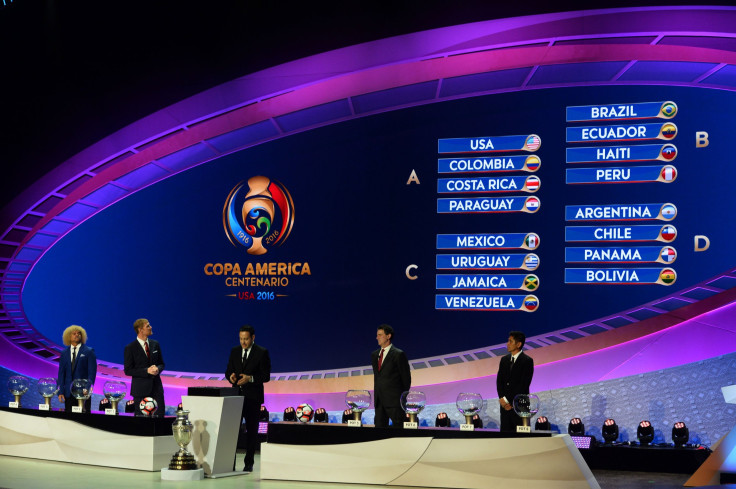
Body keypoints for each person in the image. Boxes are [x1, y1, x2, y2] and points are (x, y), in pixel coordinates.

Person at [225, 325, 271, 473]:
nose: (243, 342)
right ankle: (229, 463)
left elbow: (266, 376)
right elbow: (228, 370)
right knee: (232, 431)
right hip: (236, 398)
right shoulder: (234, 351)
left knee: (252, 431)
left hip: (253, 398)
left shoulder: (262, 352)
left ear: (253, 337)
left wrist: (250, 379)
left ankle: (249, 463)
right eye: (241, 339)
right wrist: (230, 376)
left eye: (246, 339)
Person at [371, 324, 411, 428]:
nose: (377, 337)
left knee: (398, 431)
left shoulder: (399, 354)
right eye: (377, 335)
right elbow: (378, 378)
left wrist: (402, 399)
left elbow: (406, 379)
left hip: (395, 403)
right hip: (379, 402)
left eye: (380, 335)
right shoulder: (374, 355)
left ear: (388, 336)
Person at [124, 318, 165, 417]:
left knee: (160, 418)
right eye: (148, 326)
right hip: (140, 391)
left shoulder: (155, 344)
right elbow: (128, 370)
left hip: (157, 389)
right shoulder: (130, 348)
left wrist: (157, 369)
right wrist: (146, 371)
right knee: (141, 422)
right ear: (140, 330)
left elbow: (162, 364)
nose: (151, 327)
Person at [496, 330, 534, 432]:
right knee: (505, 436)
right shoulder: (504, 360)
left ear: (518, 344)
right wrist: (502, 399)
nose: (507, 344)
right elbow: (499, 381)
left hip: (519, 406)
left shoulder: (527, 361)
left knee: (520, 439)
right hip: (505, 407)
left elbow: (523, 384)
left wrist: (508, 400)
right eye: (508, 341)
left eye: (510, 341)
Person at [57, 325, 97, 412]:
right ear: (68, 336)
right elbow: (61, 374)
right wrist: (60, 391)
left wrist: (87, 388)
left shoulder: (89, 351)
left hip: (83, 393)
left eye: (79, 333)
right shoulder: (64, 353)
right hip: (68, 394)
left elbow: (92, 373)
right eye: (74, 333)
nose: (77, 335)